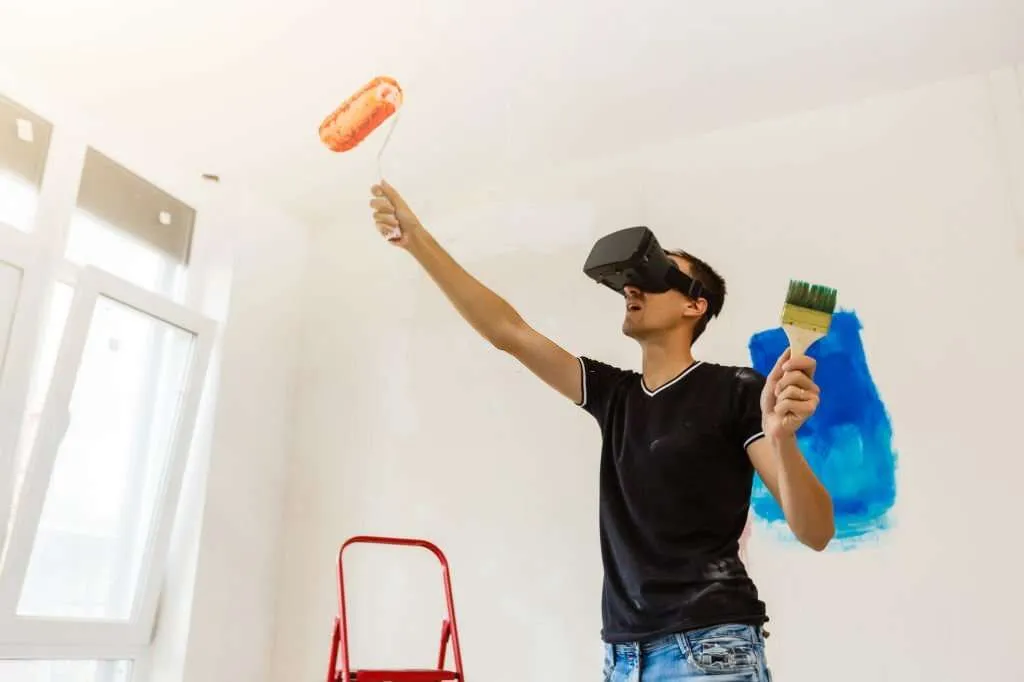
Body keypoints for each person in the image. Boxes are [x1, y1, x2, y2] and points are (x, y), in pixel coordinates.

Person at [368, 181, 834, 681]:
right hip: (623, 658)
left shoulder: (736, 390)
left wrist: (782, 438)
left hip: (709, 647)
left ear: (693, 306)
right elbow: (510, 332)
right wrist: (416, 238)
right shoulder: (616, 397)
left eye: (657, 274)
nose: (633, 287)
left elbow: (816, 531)